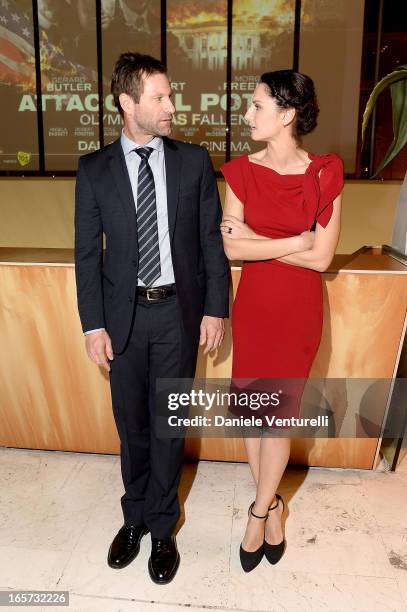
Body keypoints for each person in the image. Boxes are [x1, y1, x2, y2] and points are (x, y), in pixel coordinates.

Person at [74, 52, 229, 584]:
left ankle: (163, 528)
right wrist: (93, 325)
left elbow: (210, 241)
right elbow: (86, 255)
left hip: (179, 318)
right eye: (159, 97)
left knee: (169, 428)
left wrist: (215, 307)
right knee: (132, 427)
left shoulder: (192, 161)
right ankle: (134, 517)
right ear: (127, 102)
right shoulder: (94, 170)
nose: (171, 106)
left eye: (170, 95)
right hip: (124, 321)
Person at [220, 70, 344, 572]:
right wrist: (296, 239)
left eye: (257, 106)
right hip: (253, 308)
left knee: (276, 419)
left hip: (297, 313)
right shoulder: (240, 172)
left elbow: (322, 260)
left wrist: (263, 241)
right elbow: (230, 245)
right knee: (252, 413)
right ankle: (273, 505)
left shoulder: (325, 172)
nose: (247, 115)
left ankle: (257, 512)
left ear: (287, 114)